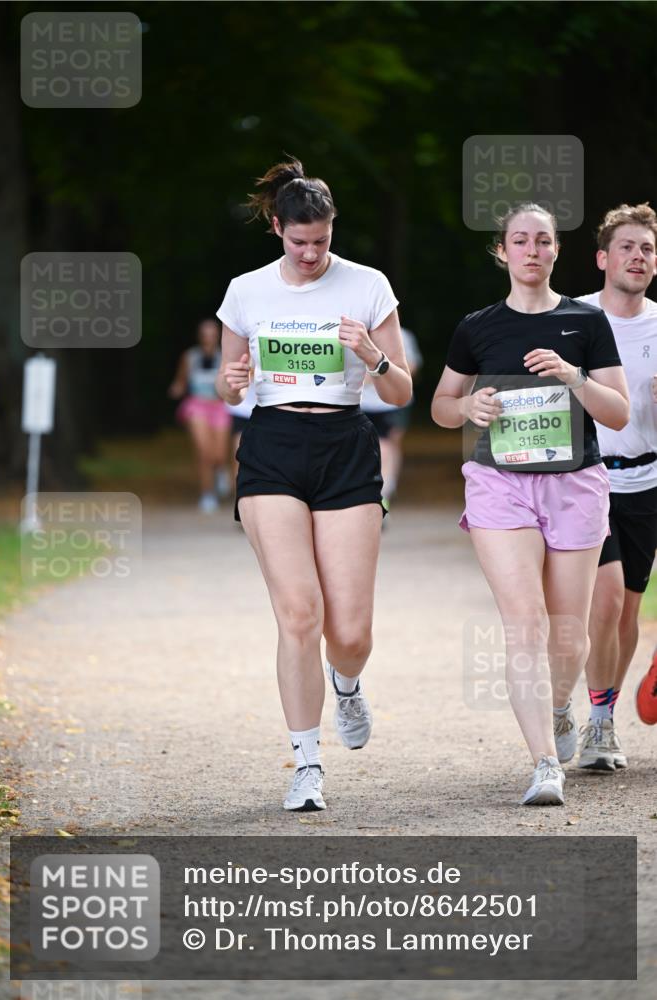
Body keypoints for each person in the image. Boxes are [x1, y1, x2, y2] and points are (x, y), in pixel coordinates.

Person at [215, 159, 411, 811]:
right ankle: (305, 763)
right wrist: (233, 383)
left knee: (349, 630)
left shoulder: (367, 286)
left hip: (345, 446)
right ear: (276, 227)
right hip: (271, 445)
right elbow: (224, 382)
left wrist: (372, 356)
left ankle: (347, 685)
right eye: (298, 242)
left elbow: (400, 388)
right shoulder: (245, 290)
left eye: (320, 242)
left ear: (331, 231)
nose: (309, 254)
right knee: (299, 611)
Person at [432, 202, 629, 806]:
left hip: (574, 484)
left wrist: (573, 376)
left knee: (568, 636)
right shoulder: (477, 326)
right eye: (521, 240)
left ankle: (561, 704)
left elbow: (618, 412)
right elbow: (441, 405)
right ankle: (545, 763)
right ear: (503, 251)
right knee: (526, 625)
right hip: (501, 484)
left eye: (543, 240)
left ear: (557, 251)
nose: (533, 250)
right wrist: (468, 409)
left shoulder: (586, 322)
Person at [576, 203, 657, 769]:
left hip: (646, 483)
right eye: (627, 246)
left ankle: (600, 720)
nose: (638, 256)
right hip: (584, 480)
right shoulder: (572, 317)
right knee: (600, 608)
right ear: (604, 258)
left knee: (626, 614)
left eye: (647, 248)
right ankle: (585, 714)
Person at [168, 319, 232, 512]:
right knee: (204, 453)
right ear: (200, 336)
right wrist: (177, 389)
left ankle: (220, 470)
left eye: (212, 335)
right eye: (205, 335)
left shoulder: (225, 357)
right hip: (197, 406)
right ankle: (207, 494)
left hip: (220, 407)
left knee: (219, 454)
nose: (209, 339)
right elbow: (180, 381)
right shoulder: (190, 357)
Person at [361, 326, 423, 507]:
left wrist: (378, 373)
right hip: (361, 402)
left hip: (392, 403)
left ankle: (384, 492)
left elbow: (411, 366)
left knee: (388, 446)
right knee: (366, 448)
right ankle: (372, 491)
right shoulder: (353, 333)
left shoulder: (402, 334)